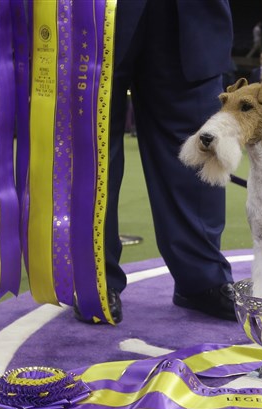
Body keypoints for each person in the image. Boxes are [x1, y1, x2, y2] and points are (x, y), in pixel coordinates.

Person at [76, 0, 236, 324]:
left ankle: (201, 279)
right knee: (91, 140)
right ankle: (93, 279)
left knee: (196, 140)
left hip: (190, 13)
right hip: (93, 11)